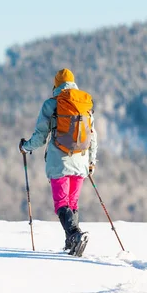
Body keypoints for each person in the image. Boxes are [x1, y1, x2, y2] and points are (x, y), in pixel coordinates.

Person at [19, 68, 98, 254]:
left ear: (56, 84)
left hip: (59, 161)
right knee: (72, 203)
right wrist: (91, 162)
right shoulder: (84, 104)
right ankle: (72, 243)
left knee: (62, 203)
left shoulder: (51, 104)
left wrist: (25, 147)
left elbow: (40, 136)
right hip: (81, 161)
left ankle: (75, 235)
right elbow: (93, 136)